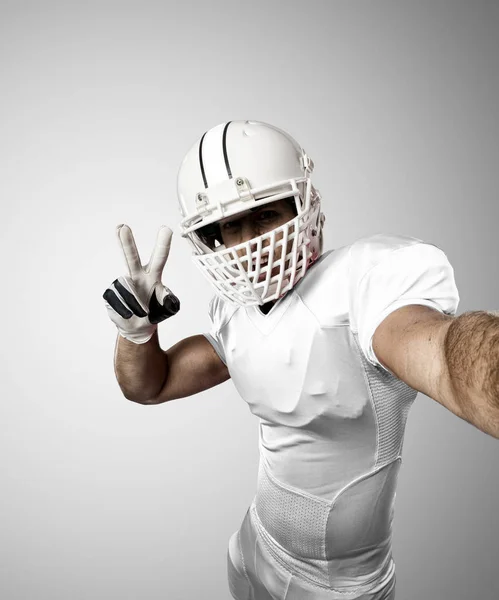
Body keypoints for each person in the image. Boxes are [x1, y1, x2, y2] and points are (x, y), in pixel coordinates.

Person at [103, 120, 499, 600]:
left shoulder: (362, 286)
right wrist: (136, 333)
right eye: (230, 226)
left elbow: (446, 360)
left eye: (265, 214)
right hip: (254, 544)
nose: (250, 244)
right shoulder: (233, 311)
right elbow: (151, 384)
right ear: (212, 237)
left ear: (303, 204)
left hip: (338, 587)